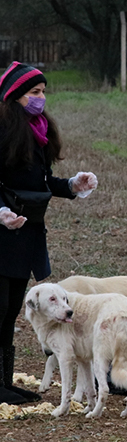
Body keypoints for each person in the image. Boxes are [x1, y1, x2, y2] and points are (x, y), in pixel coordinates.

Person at [0, 61, 98, 405]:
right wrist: (0, 212)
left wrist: (72, 185)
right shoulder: (2, 132)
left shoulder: (38, 131)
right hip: (2, 232)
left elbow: (41, 183)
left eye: (43, 92)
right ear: (14, 96)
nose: (41, 99)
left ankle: (4, 382)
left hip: (27, 234)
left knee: (11, 309)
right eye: (34, 93)